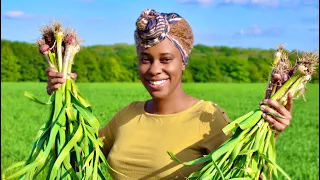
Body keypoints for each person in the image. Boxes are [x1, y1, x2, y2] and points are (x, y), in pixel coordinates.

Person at [46, 8, 293, 180]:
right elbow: (76, 161)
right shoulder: (126, 115)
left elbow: (245, 175)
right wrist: (61, 98)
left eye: (166, 59)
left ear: (183, 62)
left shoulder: (207, 118)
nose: (154, 70)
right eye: (145, 59)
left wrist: (270, 135)